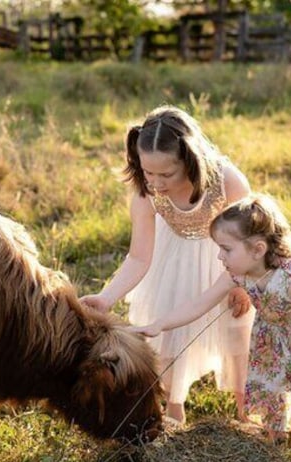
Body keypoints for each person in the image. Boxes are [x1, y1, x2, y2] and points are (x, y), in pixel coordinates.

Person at [135, 195, 291, 462]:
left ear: (258, 249)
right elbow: (200, 304)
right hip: (272, 340)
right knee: (269, 389)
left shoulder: (290, 281)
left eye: (226, 249)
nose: (219, 256)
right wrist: (161, 324)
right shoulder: (237, 274)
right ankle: (275, 446)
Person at [81, 106, 254, 424]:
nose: (156, 183)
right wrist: (107, 297)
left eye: (166, 174)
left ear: (190, 161)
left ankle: (248, 412)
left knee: (238, 336)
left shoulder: (227, 181)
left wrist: (244, 286)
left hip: (228, 263)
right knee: (169, 337)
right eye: (148, 173)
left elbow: (253, 239)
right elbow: (138, 257)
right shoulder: (148, 194)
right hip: (173, 264)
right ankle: (173, 412)